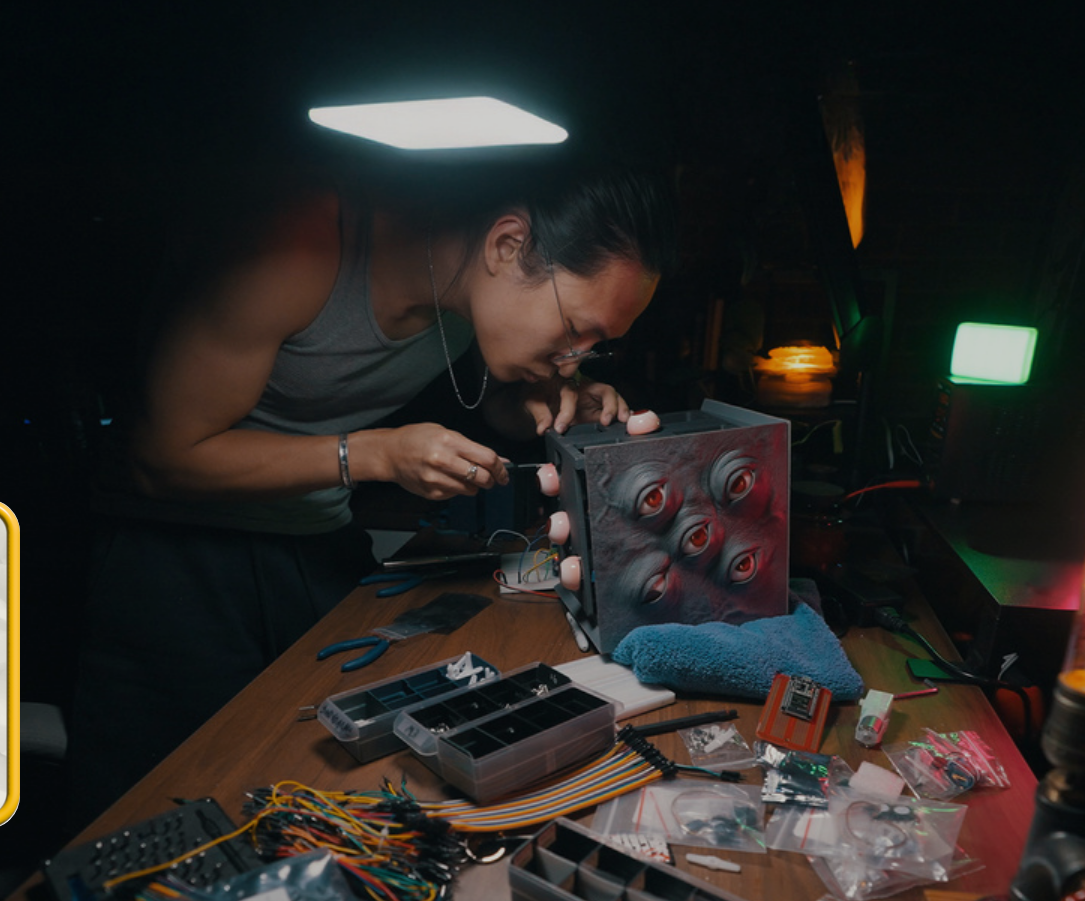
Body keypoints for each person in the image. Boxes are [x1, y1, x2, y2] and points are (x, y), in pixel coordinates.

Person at [69, 158, 678, 819]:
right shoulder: (299, 241)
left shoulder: (468, 290)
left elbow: (495, 397)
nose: (574, 358)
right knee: (156, 811)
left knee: (315, 780)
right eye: (575, 331)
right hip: (175, 561)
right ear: (507, 245)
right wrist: (376, 453)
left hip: (313, 541)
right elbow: (161, 456)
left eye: (594, 348)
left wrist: (544, 401)